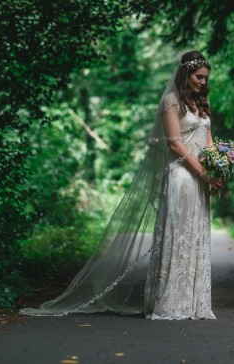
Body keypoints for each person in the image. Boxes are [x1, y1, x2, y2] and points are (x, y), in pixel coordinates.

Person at [20, 51, 222, 320]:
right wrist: (202, 174)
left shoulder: (201, 102)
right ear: (186, 74)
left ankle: (195, 303)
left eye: (205, 78)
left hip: (199, 177)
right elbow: (175, 143)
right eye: (199, 77)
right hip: (182, 177)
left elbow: (208, 140)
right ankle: (172, 303)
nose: (202, 82)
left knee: (196, 236)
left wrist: (217, 166)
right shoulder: (170, 101)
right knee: (179, 237)